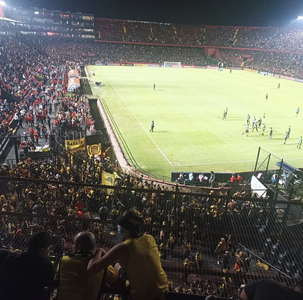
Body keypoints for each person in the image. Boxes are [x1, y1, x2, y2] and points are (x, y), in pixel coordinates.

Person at [87, 209, 168, 300]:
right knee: (121, 264)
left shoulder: (124, 247)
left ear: (124, 227)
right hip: (163, 292)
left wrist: (100, 250)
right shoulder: (150, 238)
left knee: (116, 265)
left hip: (141, 296)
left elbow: (91, 268)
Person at [57, 232, 120, 300]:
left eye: (74, 244)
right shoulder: (102, 264)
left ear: (79, 246)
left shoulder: (63, 261)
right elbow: (117, 284)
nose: (72, 246)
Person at [0, 231, 55, 300]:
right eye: (49, 248)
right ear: (42, 249)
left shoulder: (12, 258)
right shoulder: (46, 266)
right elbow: (49, 282)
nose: (49, 251)